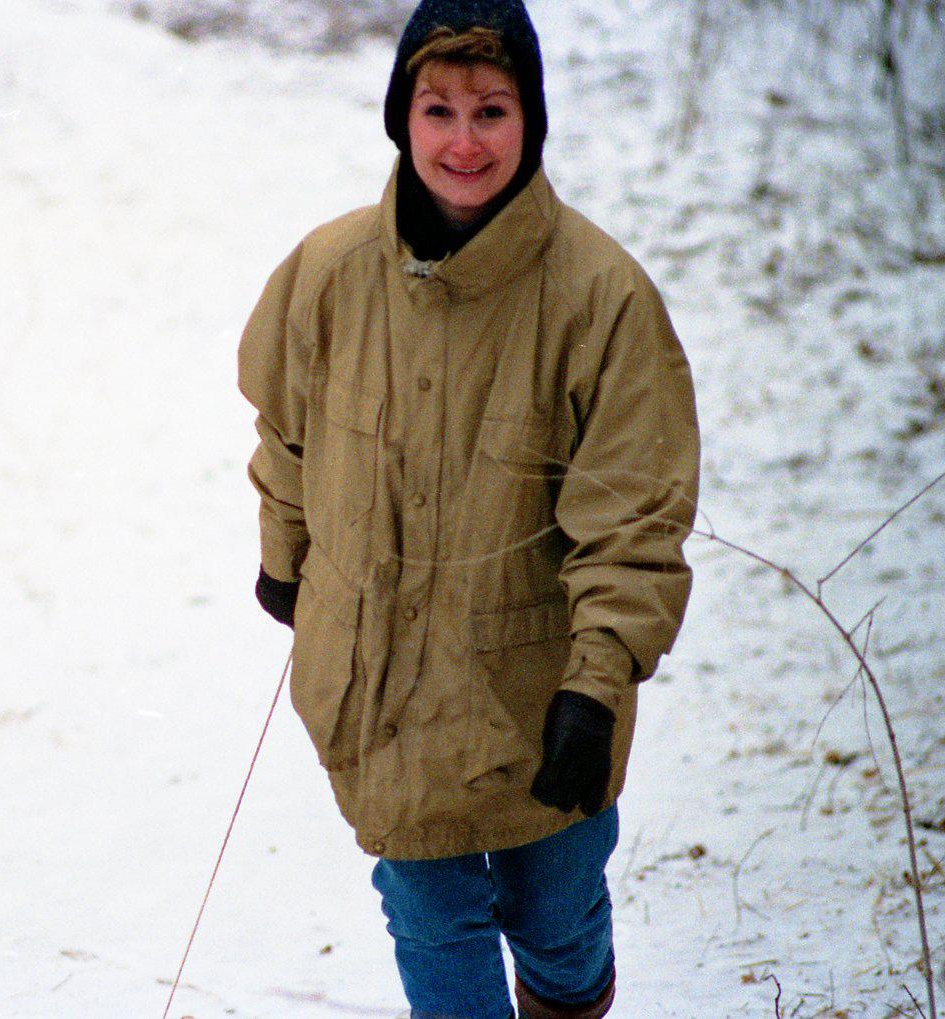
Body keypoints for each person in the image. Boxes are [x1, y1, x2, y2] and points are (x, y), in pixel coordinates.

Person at [236, 1, 700, 1016]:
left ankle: (569, 987)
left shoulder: (601, 298)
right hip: (383, 685)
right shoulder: (328, 272)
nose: (462, 139)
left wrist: (597, 679)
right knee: (430, 917)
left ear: (531, 120)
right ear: (401, 118)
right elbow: (287, 431)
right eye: (436, 108)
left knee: (555, 916)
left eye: (491, 110)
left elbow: (634, 517)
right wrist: (286, 554)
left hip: (536, 693)